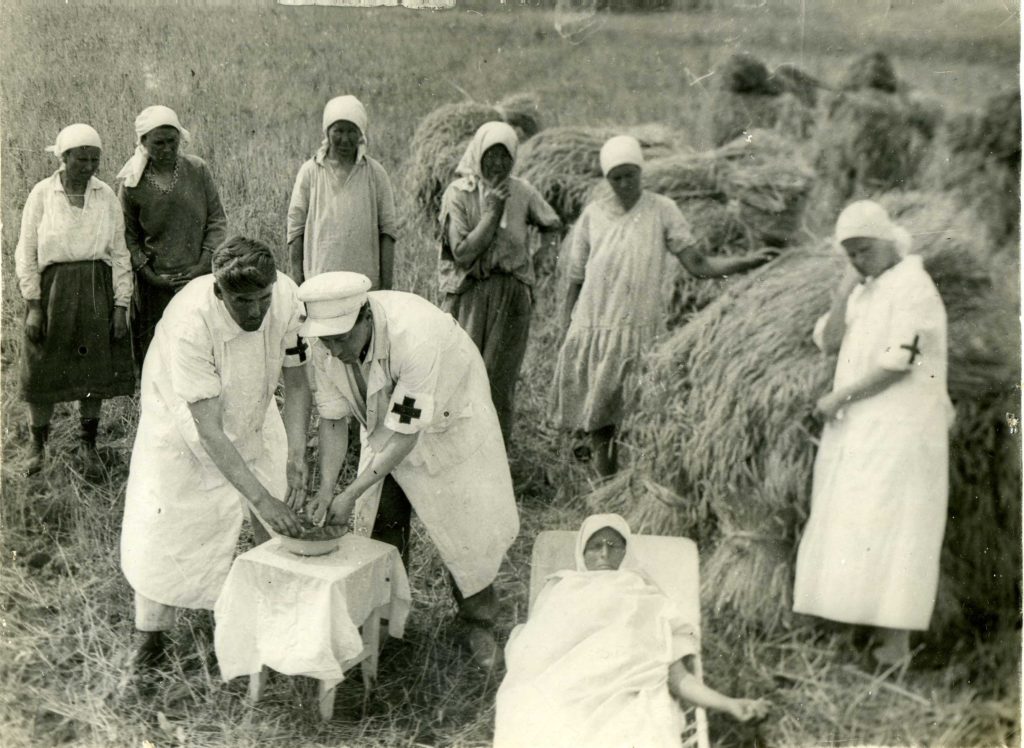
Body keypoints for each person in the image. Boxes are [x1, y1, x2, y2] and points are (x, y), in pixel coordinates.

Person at [299, 271, 520, 670]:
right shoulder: (324, 349)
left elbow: (407, 435)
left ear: (365, 317)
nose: (334, 349)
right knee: (380, 520)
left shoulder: (415, 336)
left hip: (450, 421)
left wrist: (348, 493)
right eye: (326, 340)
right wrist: (329, 487)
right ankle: (382, 624)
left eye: (341, 338)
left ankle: (477, 620)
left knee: (466, 528)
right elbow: (333, 422)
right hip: (387, 423)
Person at [120, 236, 310, 669]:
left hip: (253, 410)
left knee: (279, 509)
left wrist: (297, 453)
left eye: (263, 298)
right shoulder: (190, 323)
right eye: (243, 301)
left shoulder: (286, 298)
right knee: (169, 522)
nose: (256, 311)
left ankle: (275, 618)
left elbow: (297, 383)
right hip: (181, 421)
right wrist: (260, 497)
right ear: (218, 290)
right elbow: (208, 431)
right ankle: (150, 637)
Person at [553, 135, 777, 477]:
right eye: (617, 178)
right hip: (595, 323)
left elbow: (698, 264)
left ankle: (633, 480)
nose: (625, 183)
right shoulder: (593, 216)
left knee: (635, 413)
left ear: (641, 173)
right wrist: (567, 329)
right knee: (599, 416)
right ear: (607, 180)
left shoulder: (661, 210)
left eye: (631, 175)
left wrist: (747, 262)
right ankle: (605, 483)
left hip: (638, 327)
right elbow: (575, 277)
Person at [793, 200, 954, 667]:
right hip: (865, 430)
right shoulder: (869, 288)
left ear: (887, 242)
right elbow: (828, 341)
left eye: (862, 251)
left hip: (903, 430)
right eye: (850, 254)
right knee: (859, 523)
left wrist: (838, 398)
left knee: (898, 528)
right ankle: (856, 630)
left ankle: (895, 645)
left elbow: (896, 365)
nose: (857, 261)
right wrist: (845, 290)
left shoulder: (913, 288)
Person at [494, 514, 770, 748]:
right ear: (582, 551)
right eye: (595, 545)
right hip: (559, 691)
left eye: (613, 546)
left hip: (627, 694)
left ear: (626, 552)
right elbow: (530, 659)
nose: (604, 554)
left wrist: (728, 704)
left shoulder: (644, 595)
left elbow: (676, 676)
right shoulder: (561, 588)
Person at [14, 123, 134, 477]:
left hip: (96, 290)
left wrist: (121, 305)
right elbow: (27, 252)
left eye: (95, 159)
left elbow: (121, 253)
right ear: (63, 158)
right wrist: (34, 305)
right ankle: (38, 445)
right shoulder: (41, 194)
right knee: (41, 368)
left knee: (93, 370)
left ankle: (88, 443)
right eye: (81, 159)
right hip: (53, 292)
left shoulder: (106, 197)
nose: (89, 166)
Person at [438, 121, 562, 444]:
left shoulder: (522, 191)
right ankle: (456, 452)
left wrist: (543, 257)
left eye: (504, 156)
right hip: (470, 296)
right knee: (459, 377)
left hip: (511, 297)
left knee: (500, 381)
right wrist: (492, 213)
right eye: (490, 155)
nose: (497, 163)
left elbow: (552, 224)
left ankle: (493, 456)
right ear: (478, 154)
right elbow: (462, 253)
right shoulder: (459, 194)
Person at [117, 105, 228, 367]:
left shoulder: (197, 170)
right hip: (156, 285)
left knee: (200, 348)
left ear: (181, 138)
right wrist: (151, 276)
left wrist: (202, 264)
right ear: (143, 143)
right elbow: (128, 237)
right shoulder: (132, 184)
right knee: (158, 353)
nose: (166, 149)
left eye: (172, 141)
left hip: (199, 276)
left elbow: (217, 220)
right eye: (158, 143)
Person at [287, 95, 398, 288]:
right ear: (327, 132)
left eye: (351, 131)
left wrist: (386, 288)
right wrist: (298, 282)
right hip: (319, 283)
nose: (345, 139)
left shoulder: (375, 174)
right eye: (338, 131)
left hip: (364, 284)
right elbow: (295, 228)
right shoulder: (310, 172)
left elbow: (387, 230)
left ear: (361, 134)